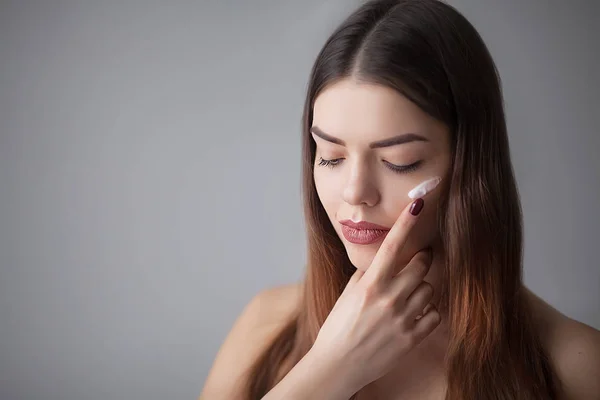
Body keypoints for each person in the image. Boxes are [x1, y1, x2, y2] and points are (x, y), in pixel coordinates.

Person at [199, 0, 600, 398]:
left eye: (399, 162)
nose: (355, 192)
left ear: (470, 164)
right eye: (331, 157)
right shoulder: (265, 324)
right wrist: (329, 371)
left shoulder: (575, 365)